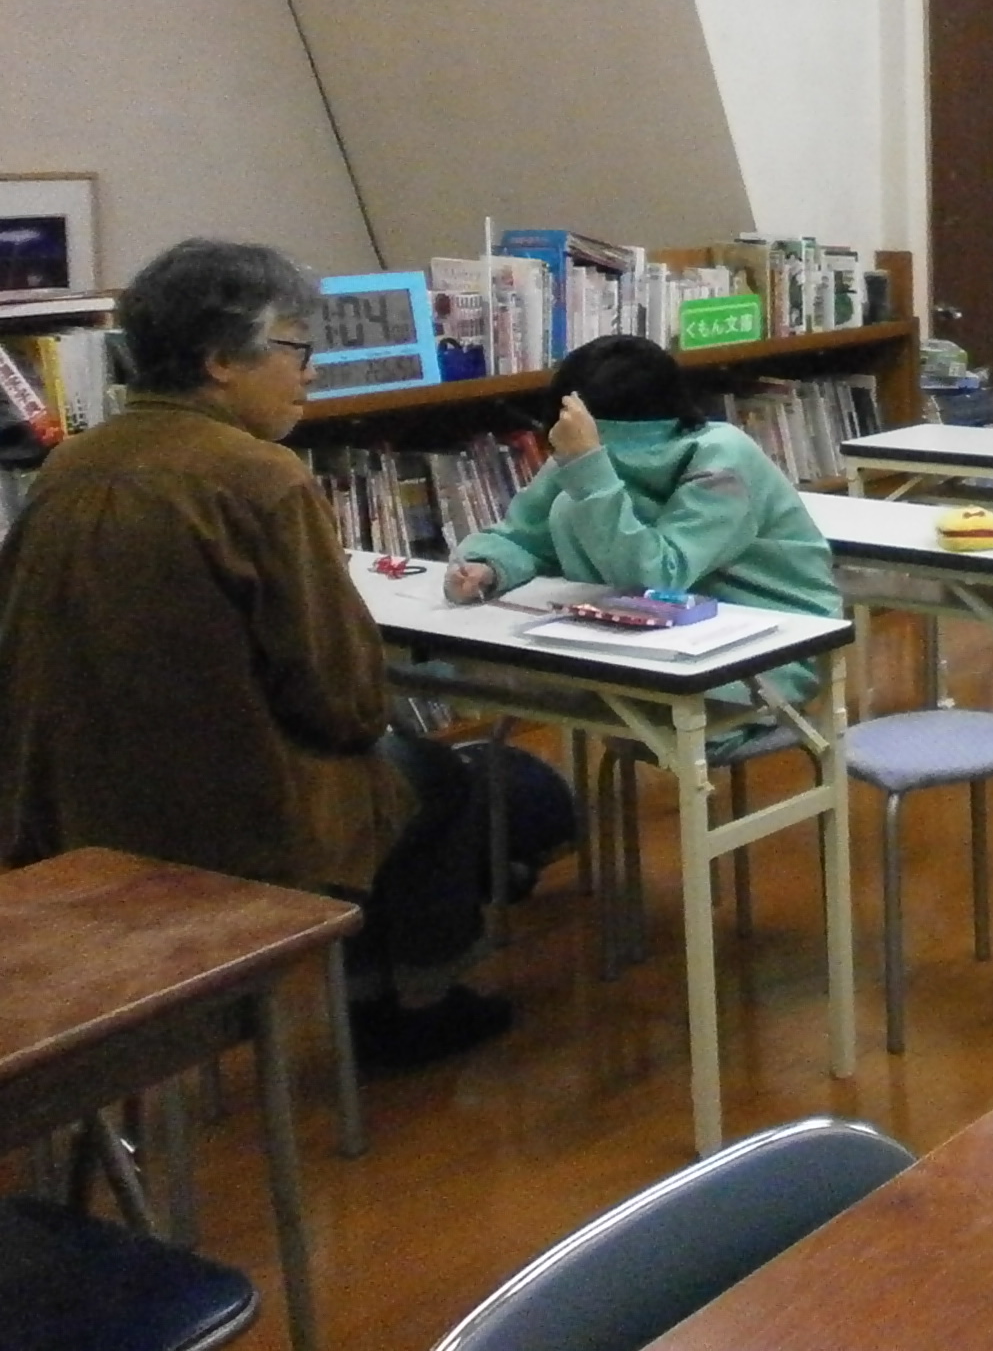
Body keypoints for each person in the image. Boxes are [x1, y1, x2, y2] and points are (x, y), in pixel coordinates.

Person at [0, 238, 507, 1068]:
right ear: (220, 361)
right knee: (435, 779)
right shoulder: (260, 477)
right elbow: (342, 701)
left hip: (69, 809)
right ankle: (412, 1002)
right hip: (225, 815)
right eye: (295, 349)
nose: (309, 372)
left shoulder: (70, 465)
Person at [446, 335, 840, 719]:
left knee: (602, 696)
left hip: (768, 645)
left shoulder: (721, 461)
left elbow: (659, 577)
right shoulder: (582, 458)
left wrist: (588, 465)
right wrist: (486, 567)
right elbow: (523, 536)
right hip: (645, 635)